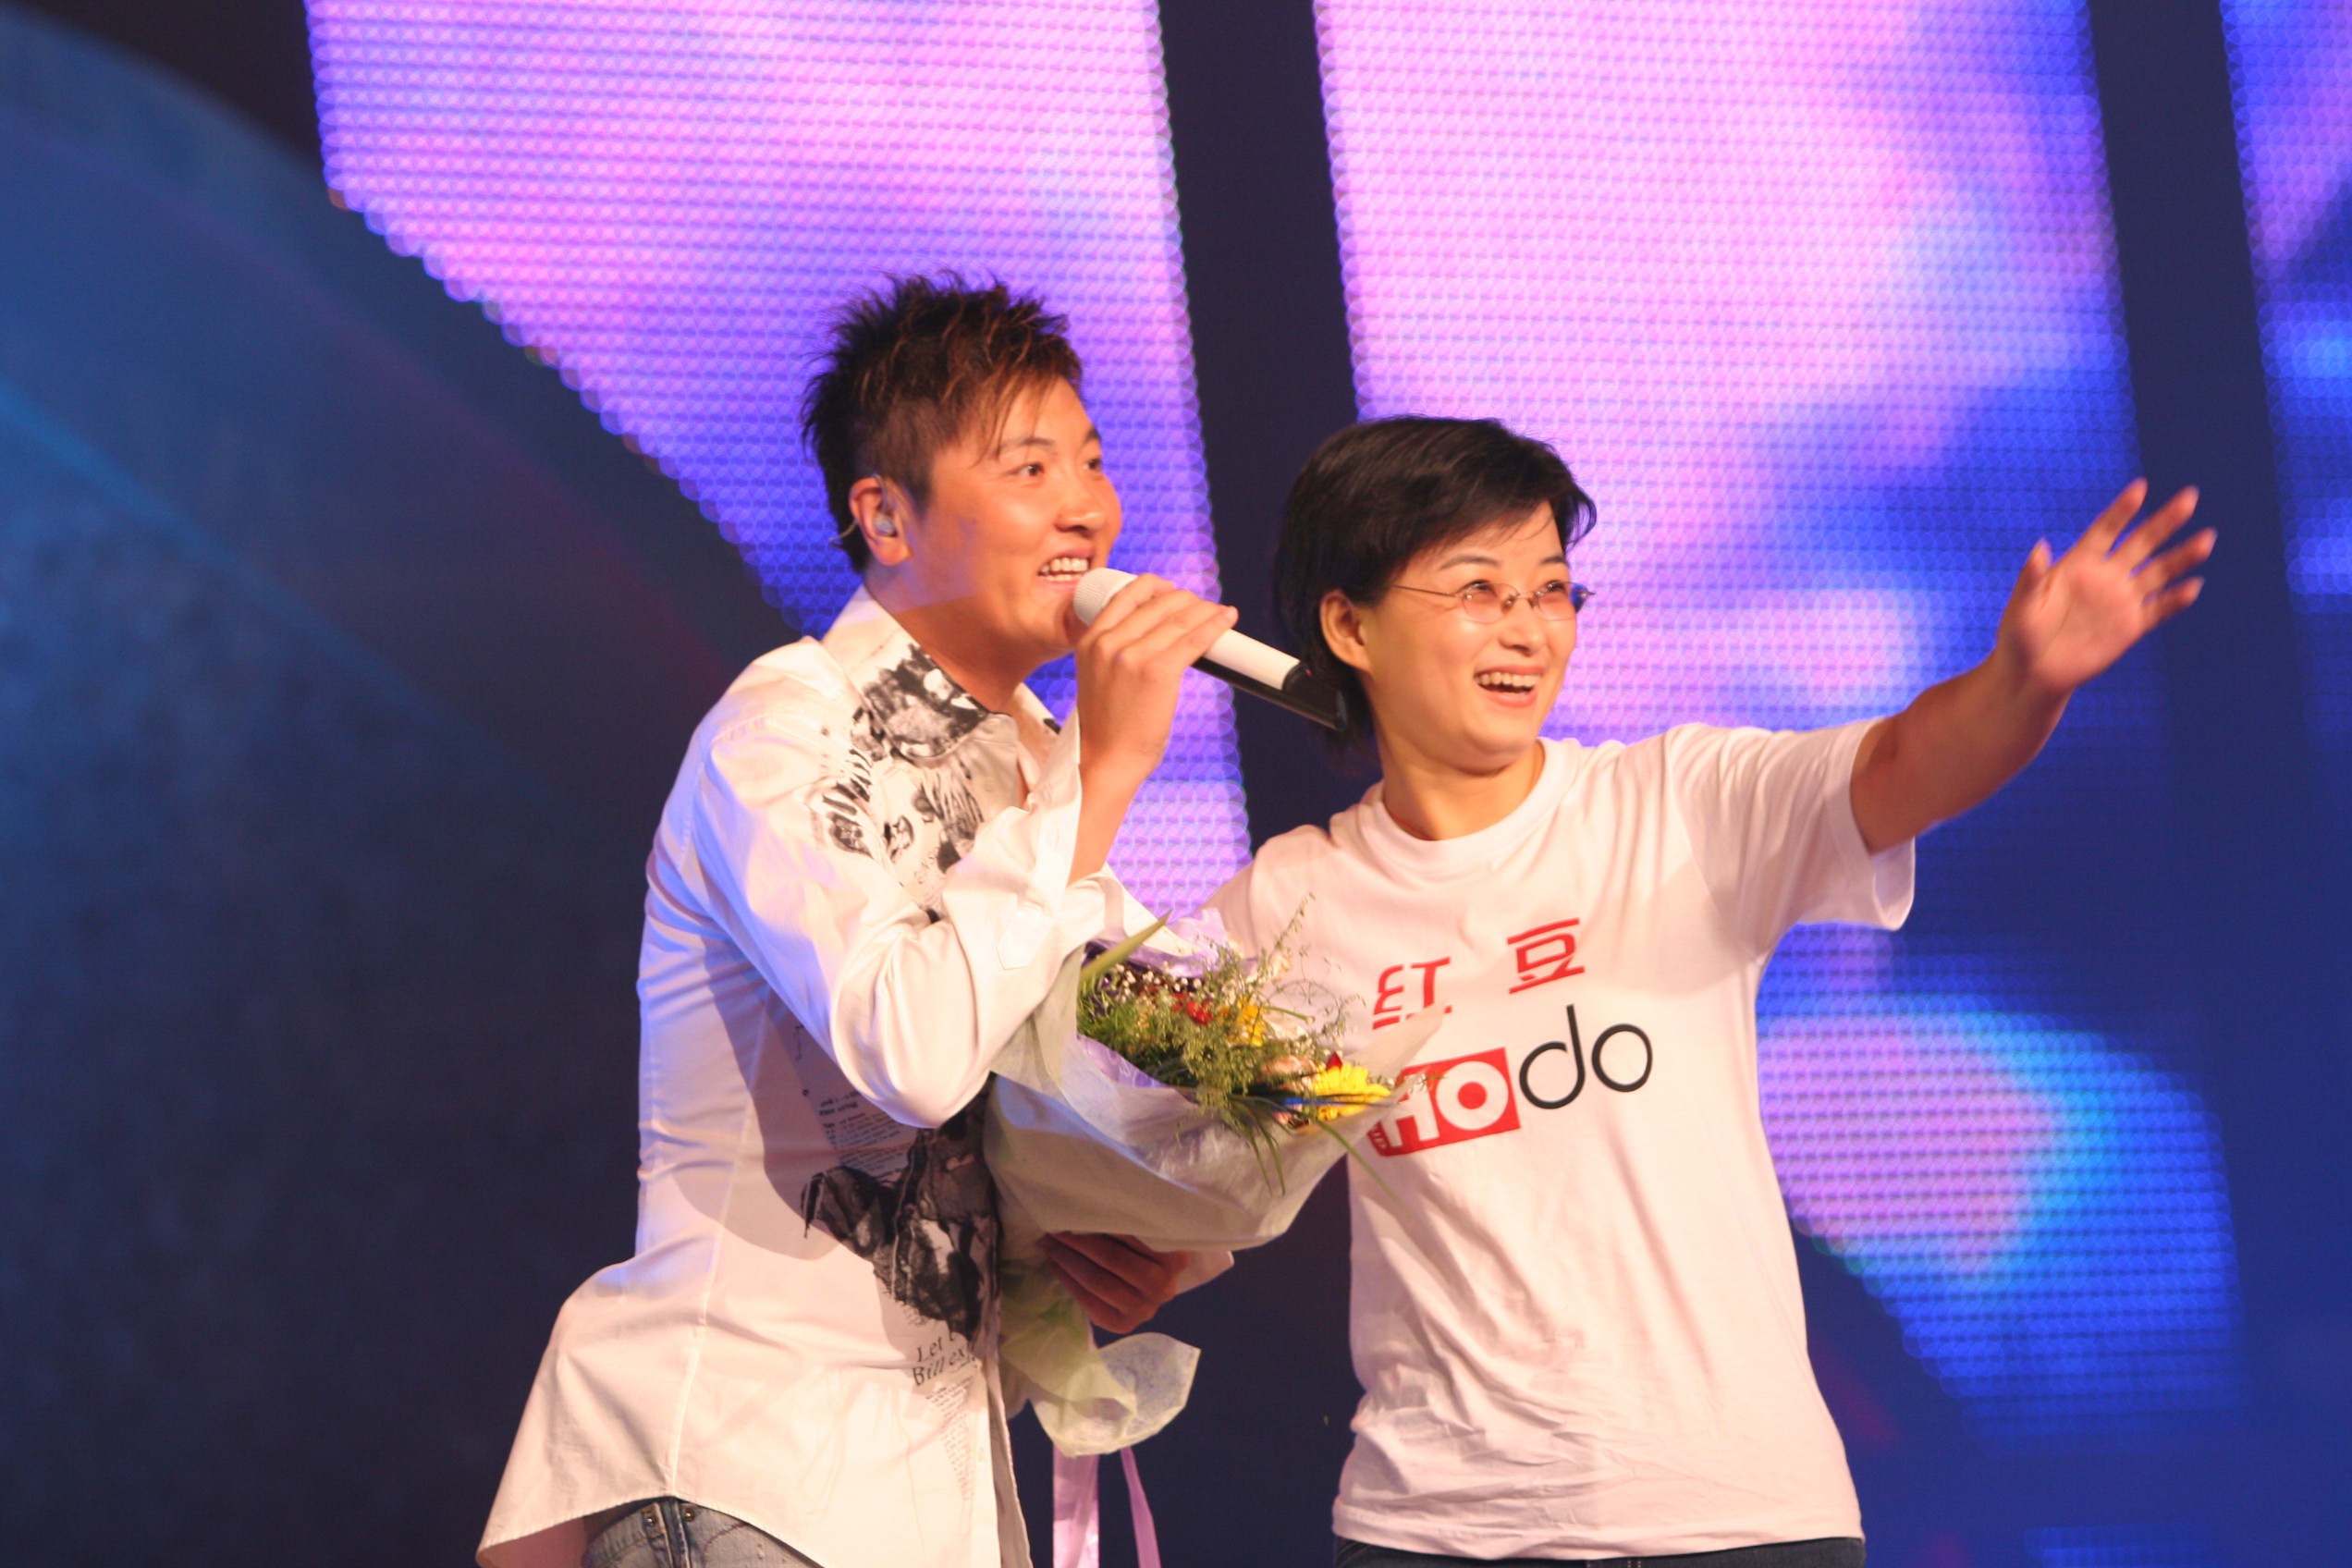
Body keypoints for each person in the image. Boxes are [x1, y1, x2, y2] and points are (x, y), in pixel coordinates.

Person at [1203, 416, 2211, 1566]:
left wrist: (2020, 681)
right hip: (1437, 1526)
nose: (1529, 628)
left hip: (1735, 1513)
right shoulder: (1292, 902)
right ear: (1349, 624)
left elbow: (1901, 764)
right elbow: (1178, 1150)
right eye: (1479, 590)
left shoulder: (1675, 806)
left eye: (1552, 590)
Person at [479, 276, 1239, 1568]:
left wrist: (1147, 1238)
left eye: (1093, 461)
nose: (1086, 505)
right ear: (886, 515)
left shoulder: (1033, 763)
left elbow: (1091, 1078)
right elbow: (912, 1051)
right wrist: (1108, 768)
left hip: (920, 1491)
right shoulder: (785, 727)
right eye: (1031, 466)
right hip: (751, 1462)